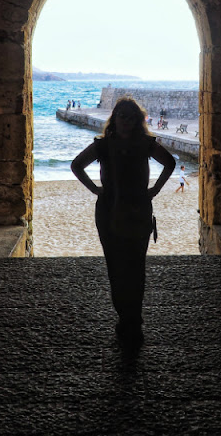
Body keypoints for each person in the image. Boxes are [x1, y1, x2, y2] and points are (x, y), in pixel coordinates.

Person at [71, 98, 176, 345]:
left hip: (134, 211)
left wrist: (155, 190)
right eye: (122, 116)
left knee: (135, 267)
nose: (126, 121)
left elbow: (170, 163)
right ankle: (125, 318)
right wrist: (95, 190)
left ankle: (133, 319)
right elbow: (77, 165)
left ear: (137, 120)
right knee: (117, 267)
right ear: (115, 119)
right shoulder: (104, 146)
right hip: (110, 211)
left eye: (130, 117)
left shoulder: (144, 144)